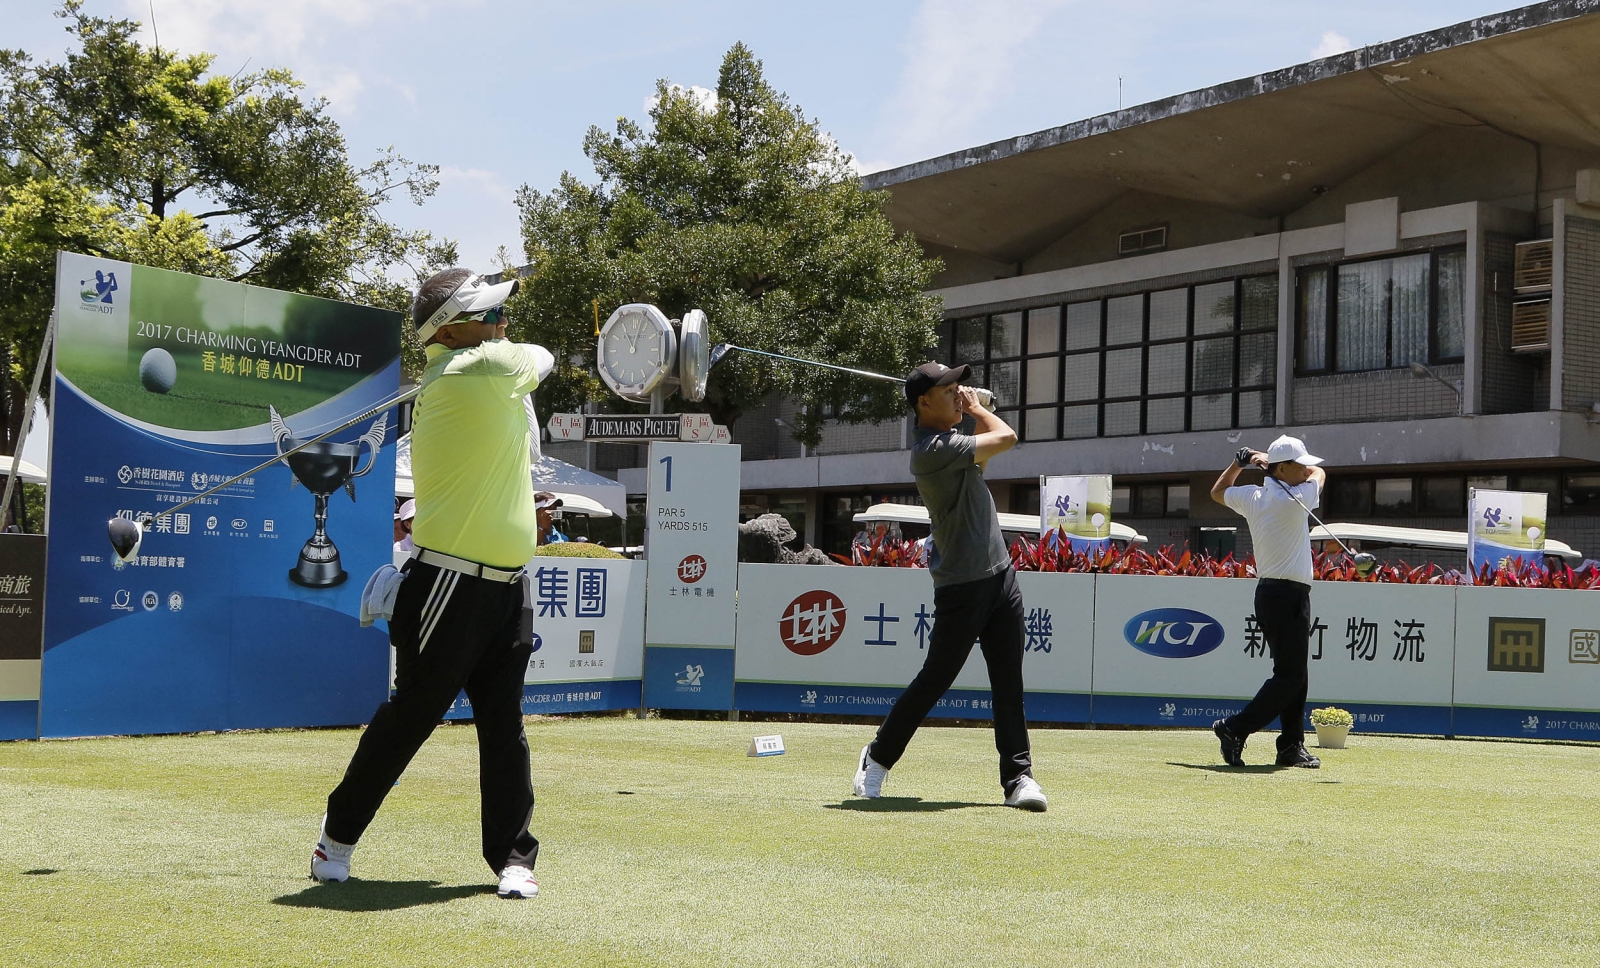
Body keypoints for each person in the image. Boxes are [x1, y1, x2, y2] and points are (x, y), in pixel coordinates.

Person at [311, 267, 553, 898]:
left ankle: (513, 858)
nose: (504, 323)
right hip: (451, 582)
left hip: (508, 583)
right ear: (452, 328)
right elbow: (544, 355)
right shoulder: (479, 370)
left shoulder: (481, 371)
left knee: (504, 724)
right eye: (492, 315)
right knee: (413, 715)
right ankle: (334, 840)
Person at [852, 362, 1047, 811]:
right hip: (962, 585)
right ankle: (877, 758)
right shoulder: (929, 449)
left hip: (1001, 575)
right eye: (949, 391)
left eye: (960, 388)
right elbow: (1008, 438)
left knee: (1008, 682)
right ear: (923, 403)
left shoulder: (951, 439)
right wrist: (979, 409)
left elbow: (994, 438)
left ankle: (1019, 779)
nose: (958, 395)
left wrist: (972, 409)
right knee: (935, 679)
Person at [1208, 434, 1328, 769]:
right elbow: (1322, 476)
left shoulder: (1254, 496)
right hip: (1287, 596)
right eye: (1301, 465)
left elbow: (1217, 492)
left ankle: (1291, 746)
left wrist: (1240, 462)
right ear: (1285, 467)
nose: (1308, 470)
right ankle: (1235, 728)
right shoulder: (1297, 496)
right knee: (1289, 677)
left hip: (1271, 595)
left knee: (1295, 674)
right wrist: (1265, 462)